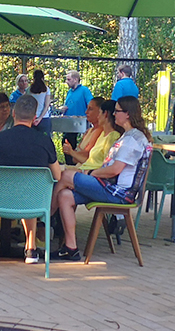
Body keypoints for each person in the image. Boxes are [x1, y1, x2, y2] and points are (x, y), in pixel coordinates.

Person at [52, 96, 151, 261]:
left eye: (117, 111)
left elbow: (115, 170)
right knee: (64, 196)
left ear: (127, 114)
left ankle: (46, 218)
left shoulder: (131, 139)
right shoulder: (128, 136)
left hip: (117, 192)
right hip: (109, 187)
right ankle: (70, 248)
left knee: (66, 175)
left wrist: (91, 173)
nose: (114, 114)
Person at [0, 94, 62, 264]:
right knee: (30, 191)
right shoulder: (45, 141)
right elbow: (57, 176)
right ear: (35, 117)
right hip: (33, 202)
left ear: (13, 114)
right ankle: (31, 249)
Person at [63, 99, 121, 171]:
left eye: (90, 109)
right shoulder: (101, 134)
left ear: (105, 114)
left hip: (89, 172)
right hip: (84, 168)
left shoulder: (110, 135)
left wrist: (72, 152)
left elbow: (104, 163)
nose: (86, 112)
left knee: (58, 171)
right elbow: (76, 159)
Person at [61, 70, 93, 154]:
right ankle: (70, 160)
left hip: (81, 122)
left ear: (75, 80)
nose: (66, 82)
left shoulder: (84, 90)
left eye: (69, 79)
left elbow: (91, 103)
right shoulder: (69, 92)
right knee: (66, 142)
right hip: (69, 122)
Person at [29, 70, 52, 135]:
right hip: (44, 119)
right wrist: (40, 118)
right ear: (43, 78)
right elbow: (46, 106)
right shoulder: (46, 89)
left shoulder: (29, 89)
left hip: (32, 119)